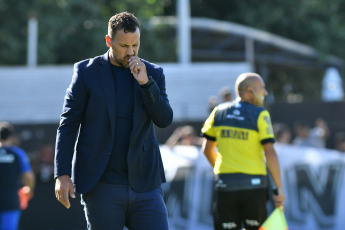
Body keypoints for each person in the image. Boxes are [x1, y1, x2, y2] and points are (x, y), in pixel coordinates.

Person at [54, 12, 173, 230]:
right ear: (109, 41)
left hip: (145, 184)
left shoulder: (153, 72)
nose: (131, 52)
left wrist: (146, 84)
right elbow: (68, 124)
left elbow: (164, 119)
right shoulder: (85, 72)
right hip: (102, 184)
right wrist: (62, 174)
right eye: (123, 46)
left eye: (135, 45)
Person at [201, 73, 285, 230]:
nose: (265, 93)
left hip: (225, 184)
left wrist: (221, 170)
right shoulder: (261, 114)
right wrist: (279, 188)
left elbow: (206, 149)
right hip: (254, 186)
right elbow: (270, 152)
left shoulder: (218, 112)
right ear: (249, 91)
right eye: (263, 89)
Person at [0, 122, 35, 230]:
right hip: (11, 199)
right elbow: (29, 177)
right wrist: (29, 190)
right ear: (11, 137)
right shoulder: (18, 153)